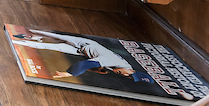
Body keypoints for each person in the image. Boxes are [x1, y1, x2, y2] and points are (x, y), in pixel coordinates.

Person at [12, 29, 155, 83]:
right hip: (85, 44)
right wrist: (69, 73)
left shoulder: (121, 67)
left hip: (81, 51)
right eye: (130, 75)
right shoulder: (114, 62)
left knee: (51, 46)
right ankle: (33, 34)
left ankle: (19, 41)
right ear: (132, 70)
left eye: (129, 78)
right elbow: (86, 64)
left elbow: (94, 65)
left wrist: (98, 69)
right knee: (50, 35)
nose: (126, 76)